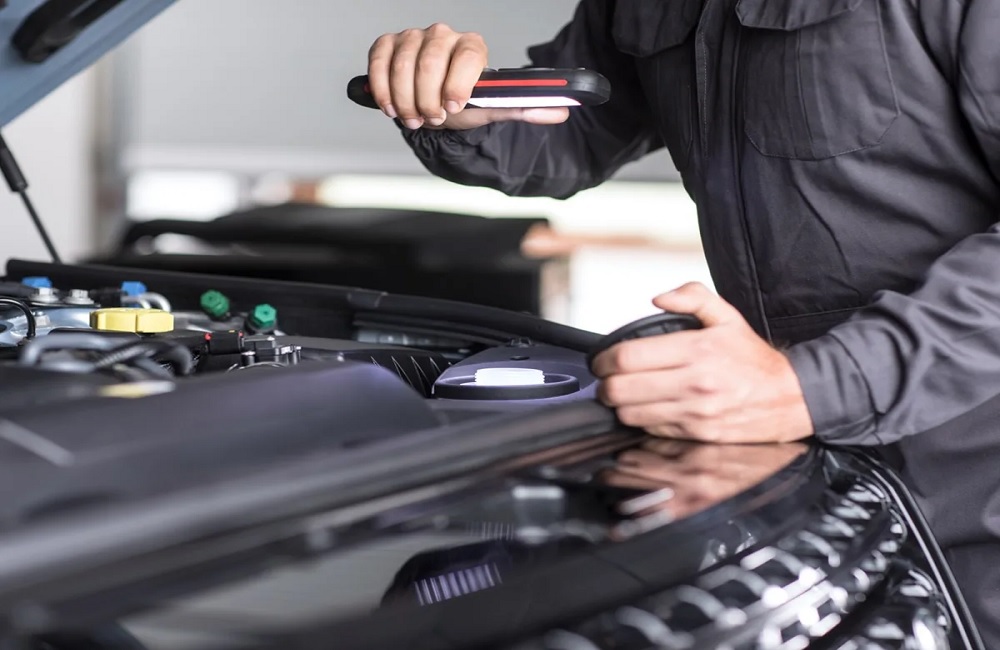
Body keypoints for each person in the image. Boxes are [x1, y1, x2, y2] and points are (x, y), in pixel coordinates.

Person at [364, 0, 1000, 644]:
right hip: (793, 479)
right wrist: (454, 103)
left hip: (974, 470)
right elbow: (576, 126)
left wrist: (811, 386)